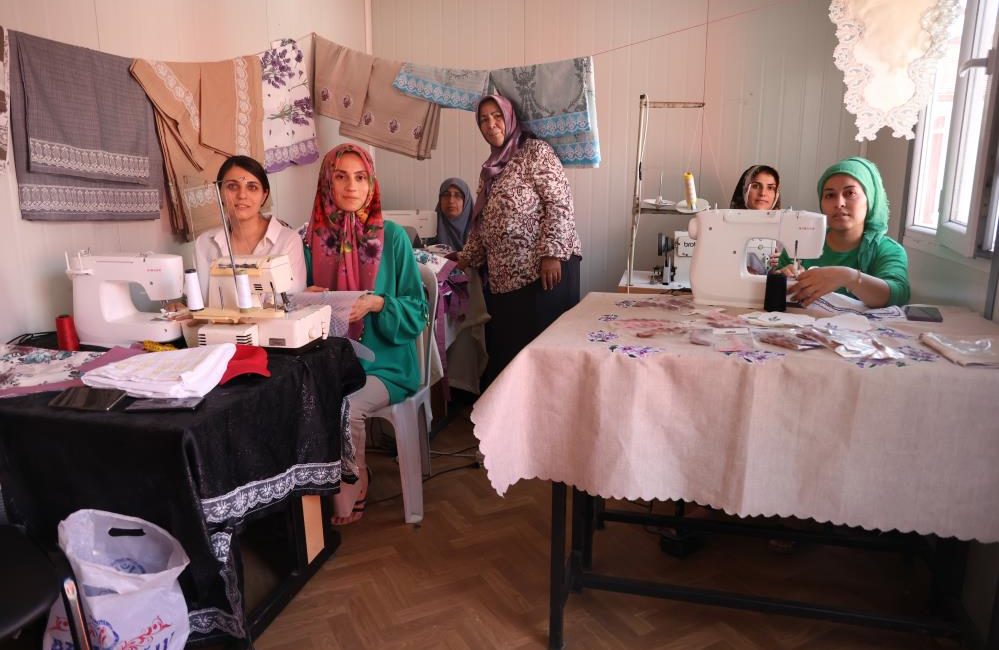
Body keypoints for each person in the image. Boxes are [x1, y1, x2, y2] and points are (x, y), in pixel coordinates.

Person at [304, 143, 426, 525]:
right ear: (328, 182)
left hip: (386, 363)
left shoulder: (393, 237)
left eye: (360, 177)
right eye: (341, 176)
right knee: (297, 400)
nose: (351, 186)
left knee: (346, 406)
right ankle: (309, 496)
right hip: (331, 360)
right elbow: (289, 307)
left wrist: (378, 304)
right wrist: (304, 298)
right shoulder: (311, 241)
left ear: (371, 184)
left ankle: (354, 483)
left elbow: (418, 310)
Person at [456, 94, 582, 385]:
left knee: (546, 360)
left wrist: (551, 254)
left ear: (510, 118)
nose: (491, 124)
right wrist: (465, 258)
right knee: (514, 362)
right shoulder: (489, 169)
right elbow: (484, 223)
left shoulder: (535, 151)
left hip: (545, 274)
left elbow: (560, 203)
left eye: (497, 116)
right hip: (507, 281)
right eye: (484, 119)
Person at [779, 156, 910, 308]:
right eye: (830, 195)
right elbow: (772, 290)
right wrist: (780, 279)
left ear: (870, 199)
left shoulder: (888, 250)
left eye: (850, 193)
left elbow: (897, 295)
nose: (839, 203)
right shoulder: (799, 244)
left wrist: (848, 277)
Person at [193, 155, 307, 304]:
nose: (242, 195)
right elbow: (197, 301)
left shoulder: (288, 241)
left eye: (252, 187)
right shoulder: (205, 243)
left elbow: (292, 301)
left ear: (264, 195)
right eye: (232, 186)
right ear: (219, 192)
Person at [730, 164, 782, 274]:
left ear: (776, 194)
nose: (763, 193)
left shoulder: (785, 229)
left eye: (770, 188)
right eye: (756, 186)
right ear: (744, 189)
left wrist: (783, 265)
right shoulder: (726, 226)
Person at [434, 177, 472, 251]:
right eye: (446, 195)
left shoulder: (479, 229)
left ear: (466, 201)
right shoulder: (429, 227)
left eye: (458, 195)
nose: (451, 201)